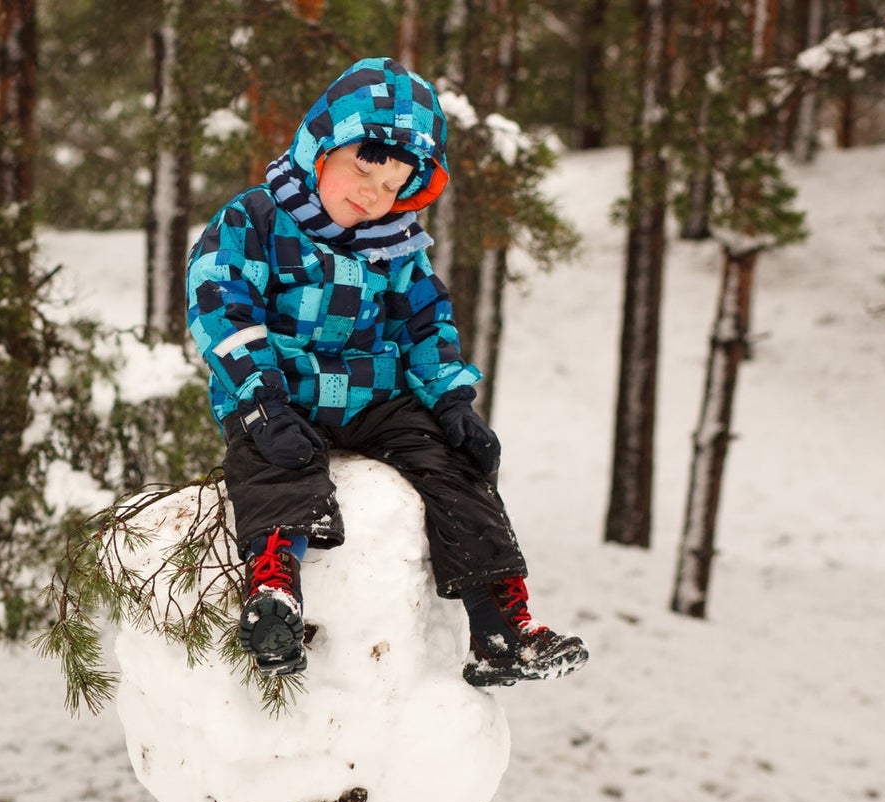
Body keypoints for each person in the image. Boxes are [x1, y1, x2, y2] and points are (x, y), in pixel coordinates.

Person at [184, 56, 587, 688]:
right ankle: (274, 595)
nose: (373, 195)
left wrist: (454, 402)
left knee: (454, 469)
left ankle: (502, 627)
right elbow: (221, 308)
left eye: (393, 185)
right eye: (362, 170)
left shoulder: (395, 243)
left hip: (375, 397)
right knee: (275, 467)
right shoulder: (255, 220)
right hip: (280, 392)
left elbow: (424, 323)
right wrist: (260, 400)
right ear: (320, 147)